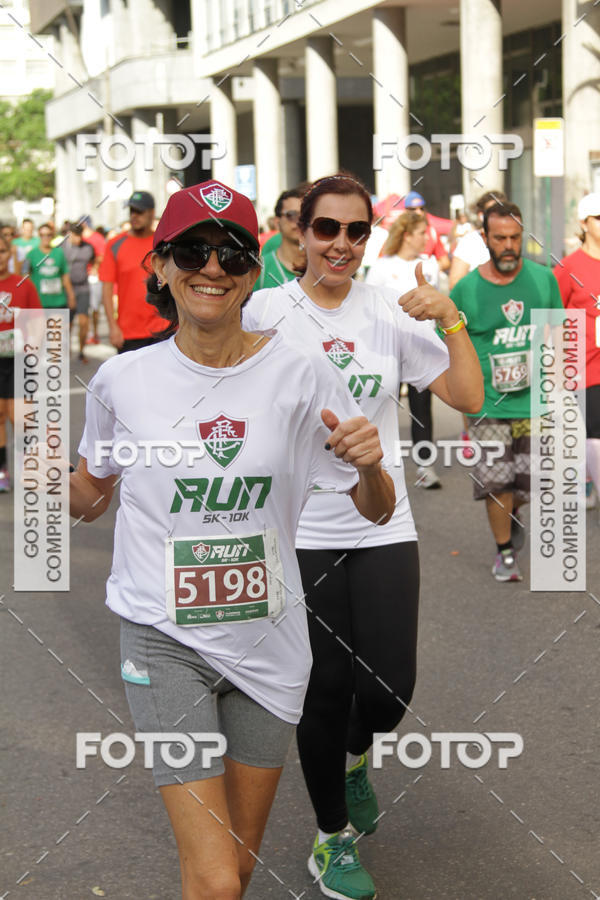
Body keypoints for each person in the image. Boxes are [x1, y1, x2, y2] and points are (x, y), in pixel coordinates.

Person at [68, 179, 394, 899]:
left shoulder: (301, 374)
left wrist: (372, 467)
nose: (212, 267)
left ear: (253, 272)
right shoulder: (122, 380)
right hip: (164, 638)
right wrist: (41, 480)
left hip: (269, 644)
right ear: (161, 265)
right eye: (192, 250)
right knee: (215, 880)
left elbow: (376, 509)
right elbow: (91, 496)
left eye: (233, 253)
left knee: (238, 871)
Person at [243, 173, 483, 900]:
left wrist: (451, 319)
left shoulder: (388, 310)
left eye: (355, 230)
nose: (341, 244)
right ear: (301, 233)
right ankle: (331, 837)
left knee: (387, 691)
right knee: (325, 686)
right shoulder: (264, 310)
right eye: (327, 229)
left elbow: (468, 396)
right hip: (296, 528)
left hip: (383, 519)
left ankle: (354, 758)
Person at [450, 201, 565, 582]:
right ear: (485, 238)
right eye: (500, 238)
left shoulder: (543, 279)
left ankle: (513, 511)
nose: (509, 245)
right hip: (488, 404)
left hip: (534, 402)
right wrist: (464, 404)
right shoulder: (466, 289)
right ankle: (504, 552)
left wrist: (557, 388)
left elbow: (556, 331)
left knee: (527, 484)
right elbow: (452, 347)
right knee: (497, 481)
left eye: (515, 237)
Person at [366, 210, 442, 488]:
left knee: (422, 411)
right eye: (422, 233)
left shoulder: (430, 265)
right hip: (388, 349)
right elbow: (368, 306)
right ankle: (378, 467)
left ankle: (425, 467)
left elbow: (437, 302)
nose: (426, 238)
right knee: (382, 408)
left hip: (421, 349)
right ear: (407, 235)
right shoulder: (382, 266)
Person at [553, 191, 600, 510]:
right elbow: (553, 317)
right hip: (586, 365)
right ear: (584, 223)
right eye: (599, 218)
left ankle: (587, 478)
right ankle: (586, 481)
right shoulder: (569, 267)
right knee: (593, 430)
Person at [99, 190, 169, 353]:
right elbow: (107, 290)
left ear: (152, 213)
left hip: (164, 329)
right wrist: (112, 327)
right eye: (132, 211)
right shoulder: (115, 245)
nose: (134, 216)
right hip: (129, 333)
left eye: (139, 211)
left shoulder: (163, 244)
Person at [0, 234, 42, 492]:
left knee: (21, 418)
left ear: (10, 254)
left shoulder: (23, 285)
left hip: (18, 360)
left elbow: (37, 319)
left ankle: (28, 468)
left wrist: (33, 345)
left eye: (2, 251)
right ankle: (1, 471)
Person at [448, 190, 507, 290]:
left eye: (503, 211)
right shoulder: (469, 242)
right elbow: (455, 285)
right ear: (481, 215)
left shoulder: (511, 240)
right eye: (493, 212)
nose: (499, 216)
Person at [254, 186, 308, 290]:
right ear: (277, 222)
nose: (299, 222)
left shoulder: (322, 266)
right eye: (292, 215)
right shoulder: (260, 269)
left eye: (305, 216)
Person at [27, 223, 76, 318]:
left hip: (58, 301)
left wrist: (71, 295)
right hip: (39, 301)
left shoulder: (59, 252)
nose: (45, 238)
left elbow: (65, 276)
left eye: (48, 235)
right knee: (40, 328)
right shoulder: (31, 254)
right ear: (39, 236)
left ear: (52, 236)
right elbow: (25, 277)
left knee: (58, 327)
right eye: (42, 235)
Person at [63, 223, 96, 362]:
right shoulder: (61, 247)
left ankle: (82, 351)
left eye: (79, 235)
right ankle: (67, 351)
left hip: (83, 288)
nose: (78, 238)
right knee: (67, 324)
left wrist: (95, 269)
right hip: (66, 289)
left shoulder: (88, 247)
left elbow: (95, 259)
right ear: (69, 234)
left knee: (84, 322)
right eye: (75, 235)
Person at [404, 190, 450, 273]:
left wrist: (429, 269)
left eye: (421, 208)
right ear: (406, 210)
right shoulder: (399, 231)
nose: (419, 212)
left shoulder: (432, 232)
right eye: (413, 209)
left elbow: (445, 262)